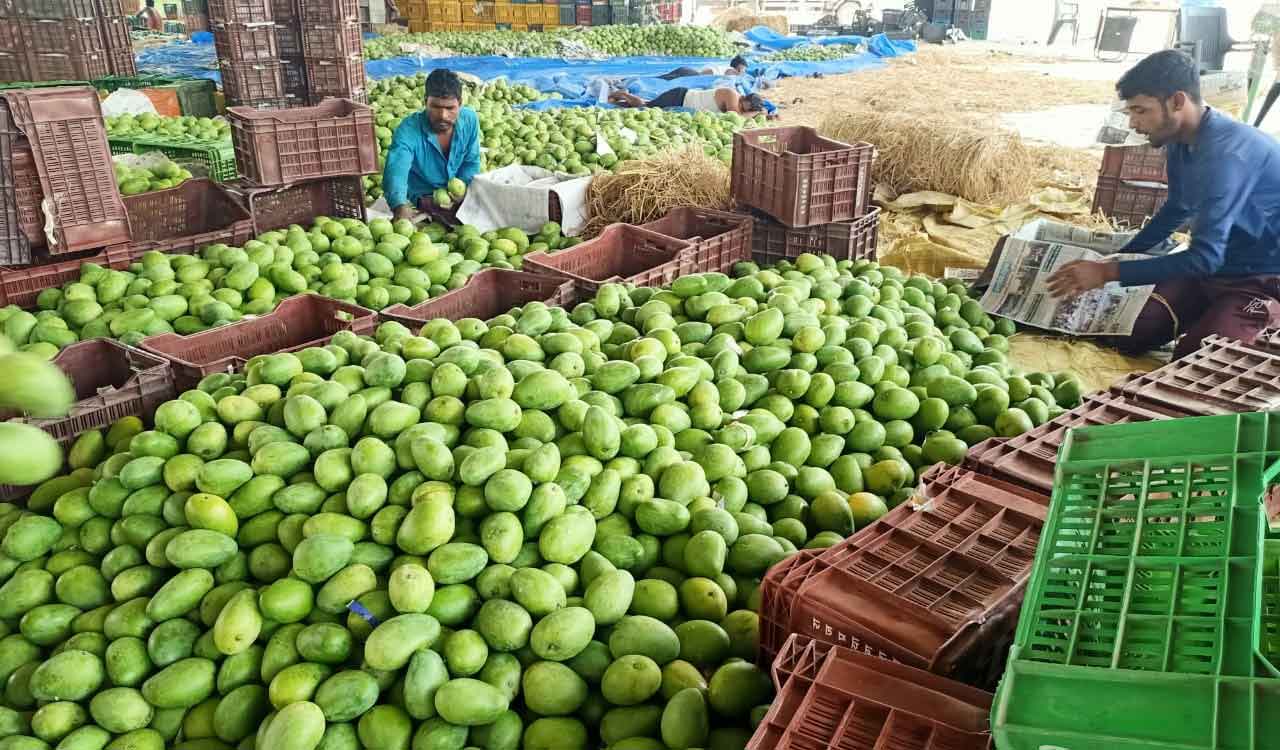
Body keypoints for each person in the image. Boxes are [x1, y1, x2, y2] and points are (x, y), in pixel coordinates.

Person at [1047, 49, 1280, 358]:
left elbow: (1203, 258)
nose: (1133, 122)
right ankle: (1212, 316)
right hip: (1213, 271)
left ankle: (1257, 320)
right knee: (1128, 333)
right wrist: (1121, 256)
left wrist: (1106, 273)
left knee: (1194, 363)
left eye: (1141, 111)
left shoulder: (1227, 155)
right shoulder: (1181, 142)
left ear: (1177, 101)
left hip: (1261, 281)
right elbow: (1178, 208)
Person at [383, 69, 482, 221]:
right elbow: (396, 168)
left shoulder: (469, 120)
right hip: (423, 196)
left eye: (450, 108)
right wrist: (399, 205)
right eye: (435, 107)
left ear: (460, 104)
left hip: (456, 194)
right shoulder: (409, 129)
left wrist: (461, 192)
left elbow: (471, 161)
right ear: (425, 102)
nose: (443, 115)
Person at [608, 87, 768, 116]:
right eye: (749, 107)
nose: (747, 110)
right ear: (745, 99)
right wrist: (755, 114)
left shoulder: (742, 108)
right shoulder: (733, 96)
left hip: (682, 103)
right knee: (645, 107)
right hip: (680, 97)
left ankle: (622, 100)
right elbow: (735, 117)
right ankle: (623, 94)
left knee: (648, 105)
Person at [656, 56, 749, 81]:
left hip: (687, 71)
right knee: (662, 80)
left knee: (660, 79)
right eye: (744, 68)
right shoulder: (730, 71)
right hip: (690, 74)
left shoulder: (726, 67)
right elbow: (730, 76)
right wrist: (740, 74)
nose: (744, 71)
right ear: (739, 67)